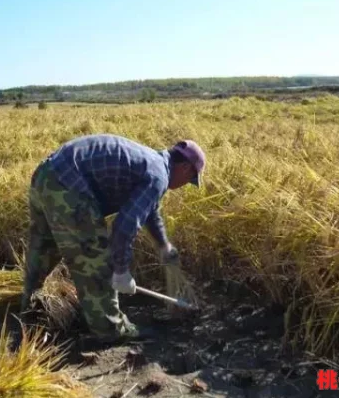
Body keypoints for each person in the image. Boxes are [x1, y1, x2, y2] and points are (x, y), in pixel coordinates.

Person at [20, 133, 206, 343]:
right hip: (69, 186)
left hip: (46, 175)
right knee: (95, 260)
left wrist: (164, 245)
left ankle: (27, 306)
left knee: (43, 245)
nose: (185, 184)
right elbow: (123, 227)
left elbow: (150, 212)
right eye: (190, 180)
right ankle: (111, 330)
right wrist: (121, 271)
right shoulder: (158, 176)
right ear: (186, 168)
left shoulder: (153, 163)